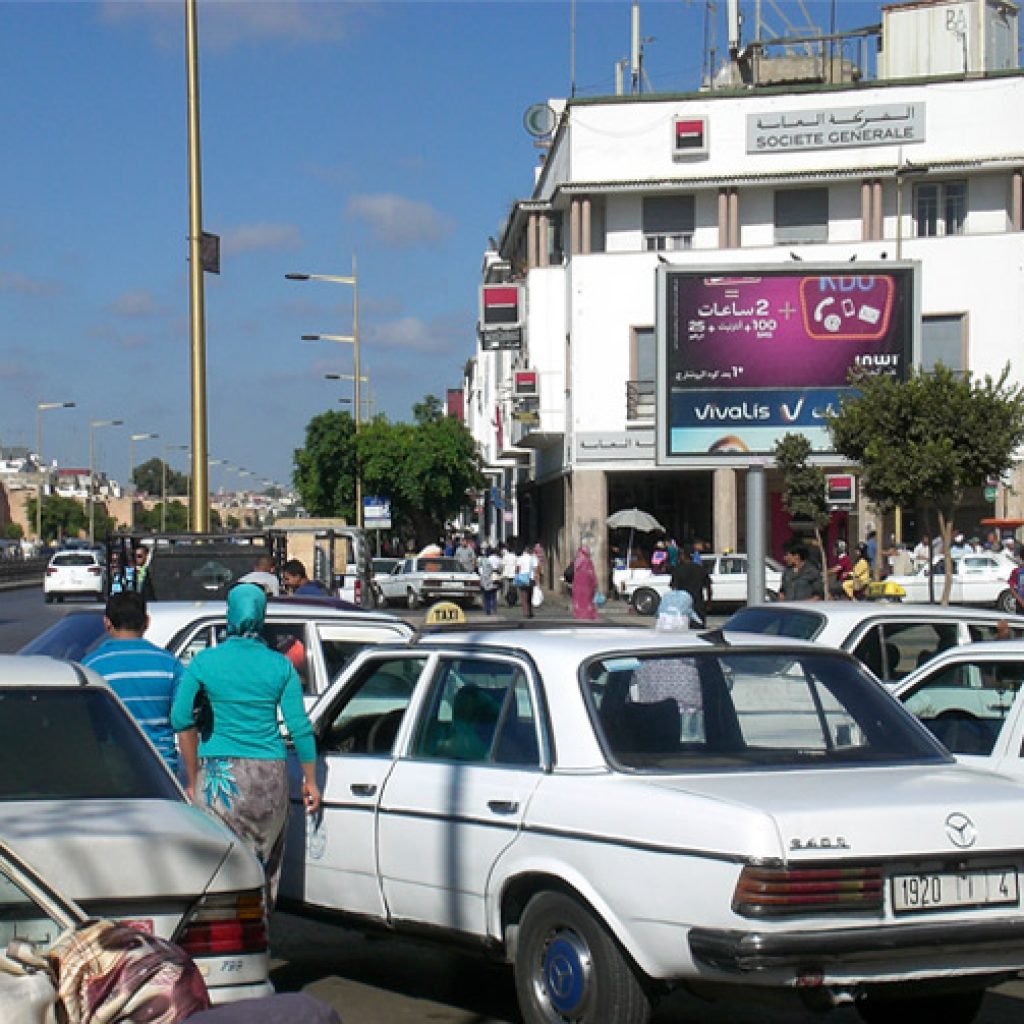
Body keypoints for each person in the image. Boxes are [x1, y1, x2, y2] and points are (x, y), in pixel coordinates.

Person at [170, 584, 320, 904]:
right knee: (264, 871)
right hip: (270, 777)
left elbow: (181, 717)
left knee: (220, 868)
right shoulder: (280, 666)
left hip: (220, 778)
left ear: (230, 613)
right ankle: (260, 937)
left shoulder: (204, 663)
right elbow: (300, 727)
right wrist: (311, 780)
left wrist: (193, 779)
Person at [82, 591, 185, 778]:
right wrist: (192, 780)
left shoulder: (90, 667)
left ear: (107, 623)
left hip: (111, 769)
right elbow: (185, 723)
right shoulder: (170, 665)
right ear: (147, 622)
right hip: (163, 771)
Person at [669, 546, 712, 626]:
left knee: (684, 630)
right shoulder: (700, 569)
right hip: (698, 604)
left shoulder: (678, 570)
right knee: (699, 628)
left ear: (683, 556)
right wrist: (709, 602)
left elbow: (673, 588)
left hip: (682, 605)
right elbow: (708, 587)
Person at [571, 545, 599, 620]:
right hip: (587, 584)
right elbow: (591, 573)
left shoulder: (577, 561)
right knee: (587, 599)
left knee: (578, 599)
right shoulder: (588, 561)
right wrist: (595, 582)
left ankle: (579, 614)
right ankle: (587, 614)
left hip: (578, 584)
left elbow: (575, 572)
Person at [515, 541, 538, 619]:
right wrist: (536, 578)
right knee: (530, 596)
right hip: (530, 578)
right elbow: (535, 569)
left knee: (523, 596)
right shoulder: (533, 558)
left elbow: (517, 569)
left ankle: (526, 612)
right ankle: (530, 611)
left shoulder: (520, 558)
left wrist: (516, 576)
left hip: (522, 577)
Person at [478, 546, 499, 615]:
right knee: (493, 595)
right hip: (494, 578)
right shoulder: (498, 559)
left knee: (486, 595)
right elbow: (501, 568)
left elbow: (480, 571)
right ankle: (494, 609)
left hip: (485, 579)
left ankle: (487, 610)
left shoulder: (483, 560)